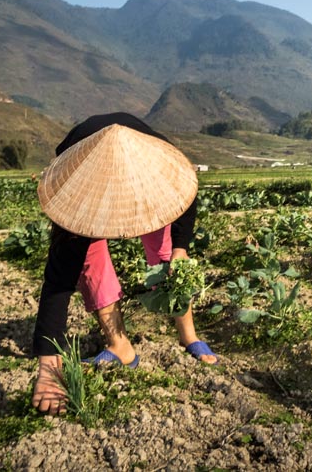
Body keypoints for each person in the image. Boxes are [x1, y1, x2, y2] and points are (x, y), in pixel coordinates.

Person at [31, 112, 217, 416]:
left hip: (142, 166)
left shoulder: (160, 163)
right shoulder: (79, 192)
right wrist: (49, 367)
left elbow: (187, 194)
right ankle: (120, 346)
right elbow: (58, 284)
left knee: (167, 255)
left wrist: (181, 250)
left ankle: (189, 336)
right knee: (91, 263)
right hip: (87, 172)